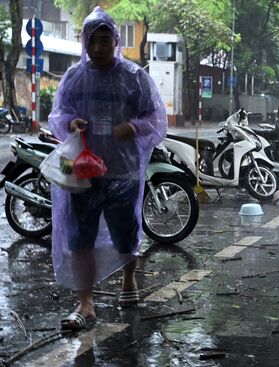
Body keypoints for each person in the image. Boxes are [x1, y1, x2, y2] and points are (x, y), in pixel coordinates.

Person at [48, 7, 167, 330]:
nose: (97, 48)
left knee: (125, 234)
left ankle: (129, 279)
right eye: (91, 41)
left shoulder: (134, 77)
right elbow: (59, 115)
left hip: (122, 171)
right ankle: (86, 302)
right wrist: (70, 122)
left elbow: (156, 118)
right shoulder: (74, 77)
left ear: (116, 41)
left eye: (104, 41)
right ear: (84, 42)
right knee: (80, 237)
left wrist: (133, 127)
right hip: (83, 173)